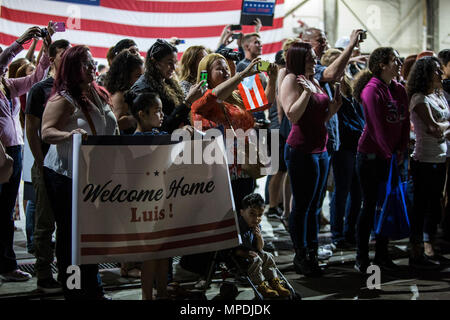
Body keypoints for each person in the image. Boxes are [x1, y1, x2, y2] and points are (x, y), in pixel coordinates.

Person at [41, 45, 119, 299]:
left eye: (92, 64)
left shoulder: (97, 93)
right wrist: (69, 135)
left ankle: (93, 287)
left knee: (90, 234)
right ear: (72, 69)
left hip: (94, 176)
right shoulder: (63, 98)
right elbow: (46, 132)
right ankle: (74, 290)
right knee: (70, 237)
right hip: (66, 175)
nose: (92, 69)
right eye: (85, 65)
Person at [280, 42, 342, 276]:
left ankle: (312, 251)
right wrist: (306, 92)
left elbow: (318, 118)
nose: (315, 61)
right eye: (310, 58)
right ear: (298, 59)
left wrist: (333, 108)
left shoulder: (313, 79)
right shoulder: (291, 80)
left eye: (315, 57)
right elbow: (293, 116)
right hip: (301, 150)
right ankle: (301, 254)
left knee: (315, 205)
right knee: (303, 206)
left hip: (320, 149)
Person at [190, 53, 277, 213]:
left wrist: (273, 77)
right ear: (206, 74)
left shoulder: (236, 95)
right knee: (225, 219)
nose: (226, 72)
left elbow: (265, 103)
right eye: (219, 69)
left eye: (226, 68)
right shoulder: (201, 99)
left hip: (244, 168)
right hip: (219, 173)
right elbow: (214, 97)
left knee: (245, 216)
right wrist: (243, 74)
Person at [0, 26, 52, 282]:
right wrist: (21, 42)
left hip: (14, 151)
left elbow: (35, 80)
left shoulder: (7, 86)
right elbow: (3, 61)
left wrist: (46, 49)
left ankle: (7, 266)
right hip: (1, 153)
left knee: (6, 213)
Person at [352, 47, 410, 273]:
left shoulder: (398, 89)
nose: (398, 63)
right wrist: (389, 154)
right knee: (369, 206)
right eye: (394, 60)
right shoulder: (371, 90)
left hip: (392, 156)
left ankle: (383, 254)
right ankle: (362, 257)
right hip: (371, 157)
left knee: (387, 205)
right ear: (381, 65)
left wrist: (401, 149)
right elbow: (376, 128)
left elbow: (404, 122)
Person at [25, 39, 70, 293]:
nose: (67, 58)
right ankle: (43, 276)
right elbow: (31, 128)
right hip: (45, 165)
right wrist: (40, 163)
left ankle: (67, 276)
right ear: (51, 57)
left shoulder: (72, 88)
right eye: (62, 54)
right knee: (44, 224)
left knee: (65, 223)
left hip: (66, 166)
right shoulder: (40, 89)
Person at [124, 91, 169, 299]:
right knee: (150, 253)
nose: (162, 115)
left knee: (164, 253)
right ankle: (146, 296)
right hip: (145, 205)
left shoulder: (161, 136)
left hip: (163, 202)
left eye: (162, 111)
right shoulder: (136, 142)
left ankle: (161, 292)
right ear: (142, 114)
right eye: (157, 111)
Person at [407, 56, 450, 268]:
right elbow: (433, 129)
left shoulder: (438, 95)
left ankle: (429, 245)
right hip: (424, 159)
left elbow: (440, 127)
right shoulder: (419, 98)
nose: (441, 73)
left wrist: (443, 127)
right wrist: (446, 127)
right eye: (436, 70)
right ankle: (416, 251)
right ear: (425, 73)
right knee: (421, 205)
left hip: (441, 158)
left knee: (435, 205)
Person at [129, 39, 204, 134]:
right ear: (155, 62)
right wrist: (188, 101)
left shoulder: (168, 81)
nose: (173, 67)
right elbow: (161, 126)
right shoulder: (143, 88)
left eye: (175, 63)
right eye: (169, 63)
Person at [235, 193, 290, 298]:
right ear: (242, 212)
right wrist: (246, 253)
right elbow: (234, 250)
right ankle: (261, 285)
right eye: (252, 214)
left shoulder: (257, 226)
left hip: (254, 255)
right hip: (241, 259)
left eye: (260, 215)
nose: (256, 218)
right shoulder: (239, 227)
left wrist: (259, 236)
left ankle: (274, 281)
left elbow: (260, 248)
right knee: (256, 259)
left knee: (268, 256)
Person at [105, 50, 144, 134]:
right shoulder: (121, 96)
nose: (141, 80)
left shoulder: (131, 92)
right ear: (125, 76)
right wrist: (139, 118)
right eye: (138, 76)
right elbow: (114, 124)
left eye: (142, 76)